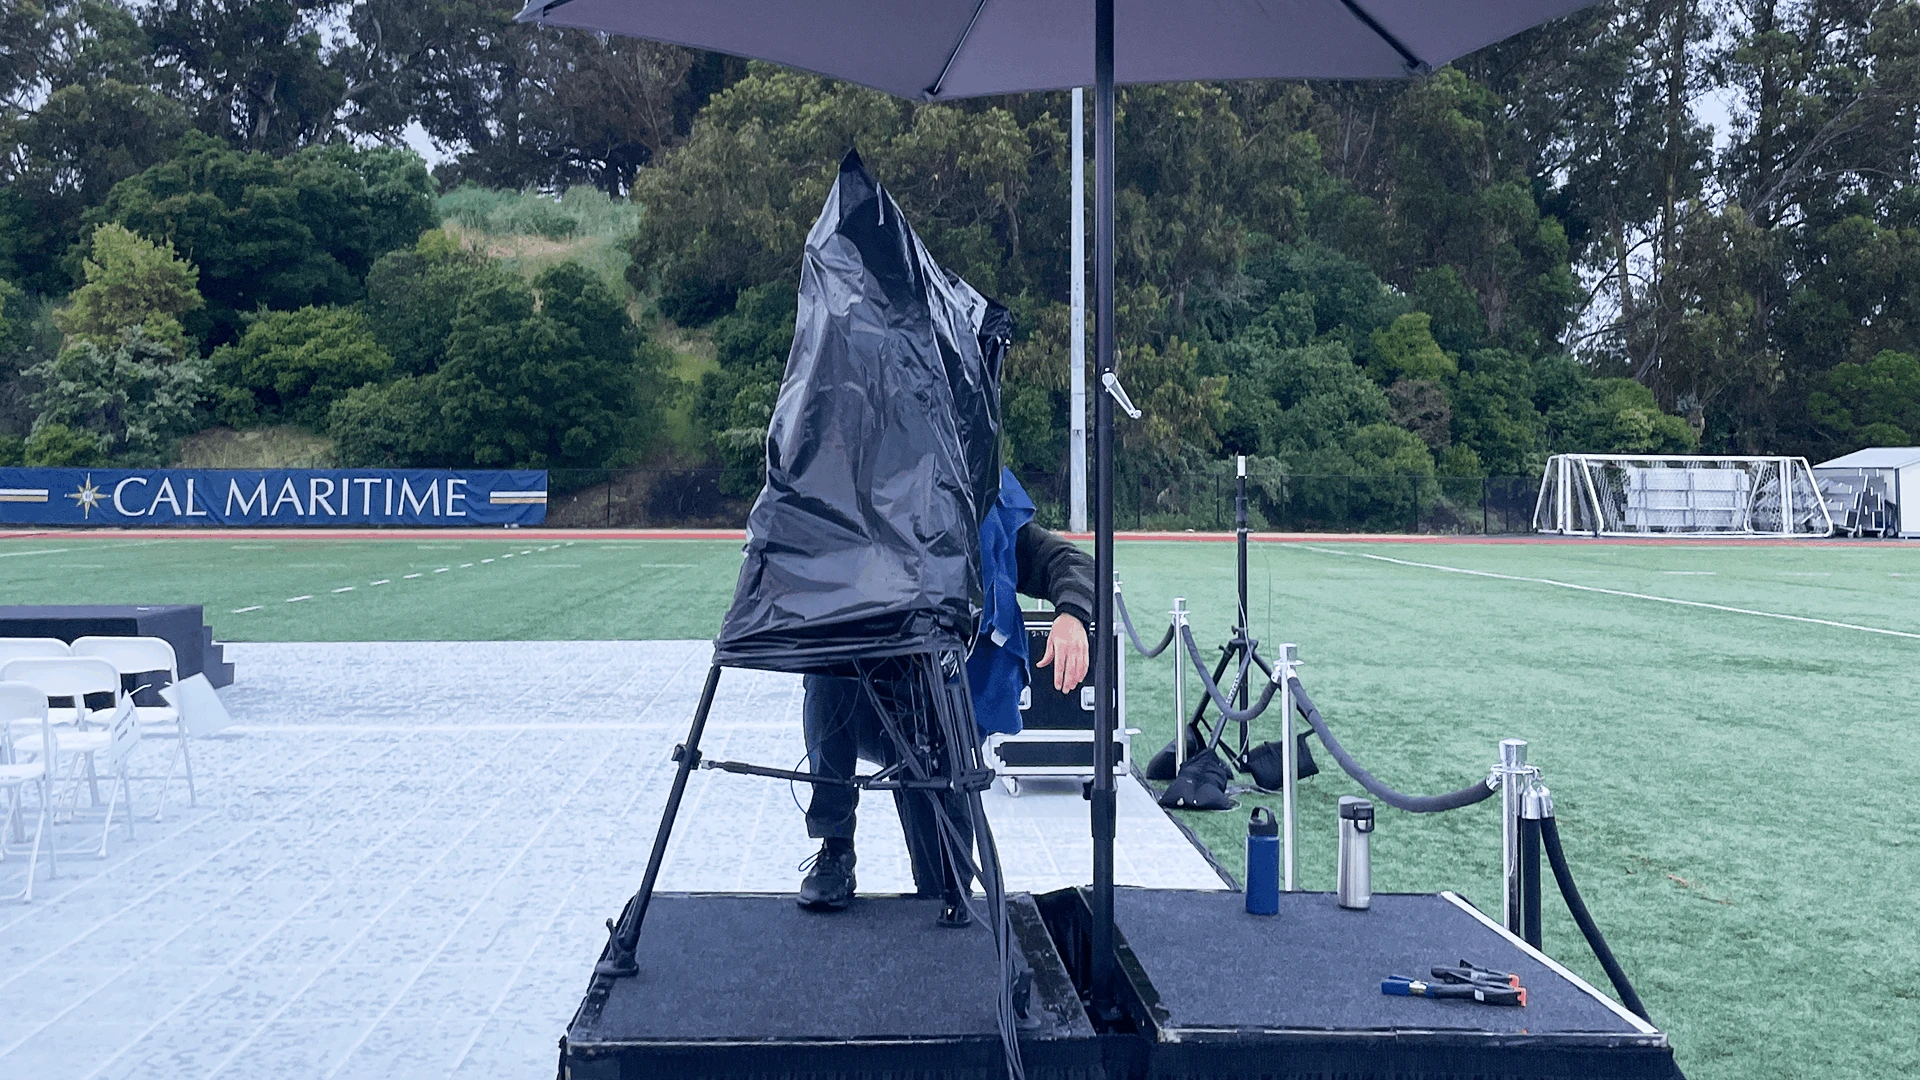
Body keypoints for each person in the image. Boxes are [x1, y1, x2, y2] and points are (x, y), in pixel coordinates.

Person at [797, 468, 1095, 910]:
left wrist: (1072, 613)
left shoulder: (984, 499)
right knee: (826, 680)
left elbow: (1065, 560)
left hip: (941, 709)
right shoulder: (859, 488)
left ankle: (948, 890)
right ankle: (835, 847)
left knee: (946, 890)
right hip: (863, 696)